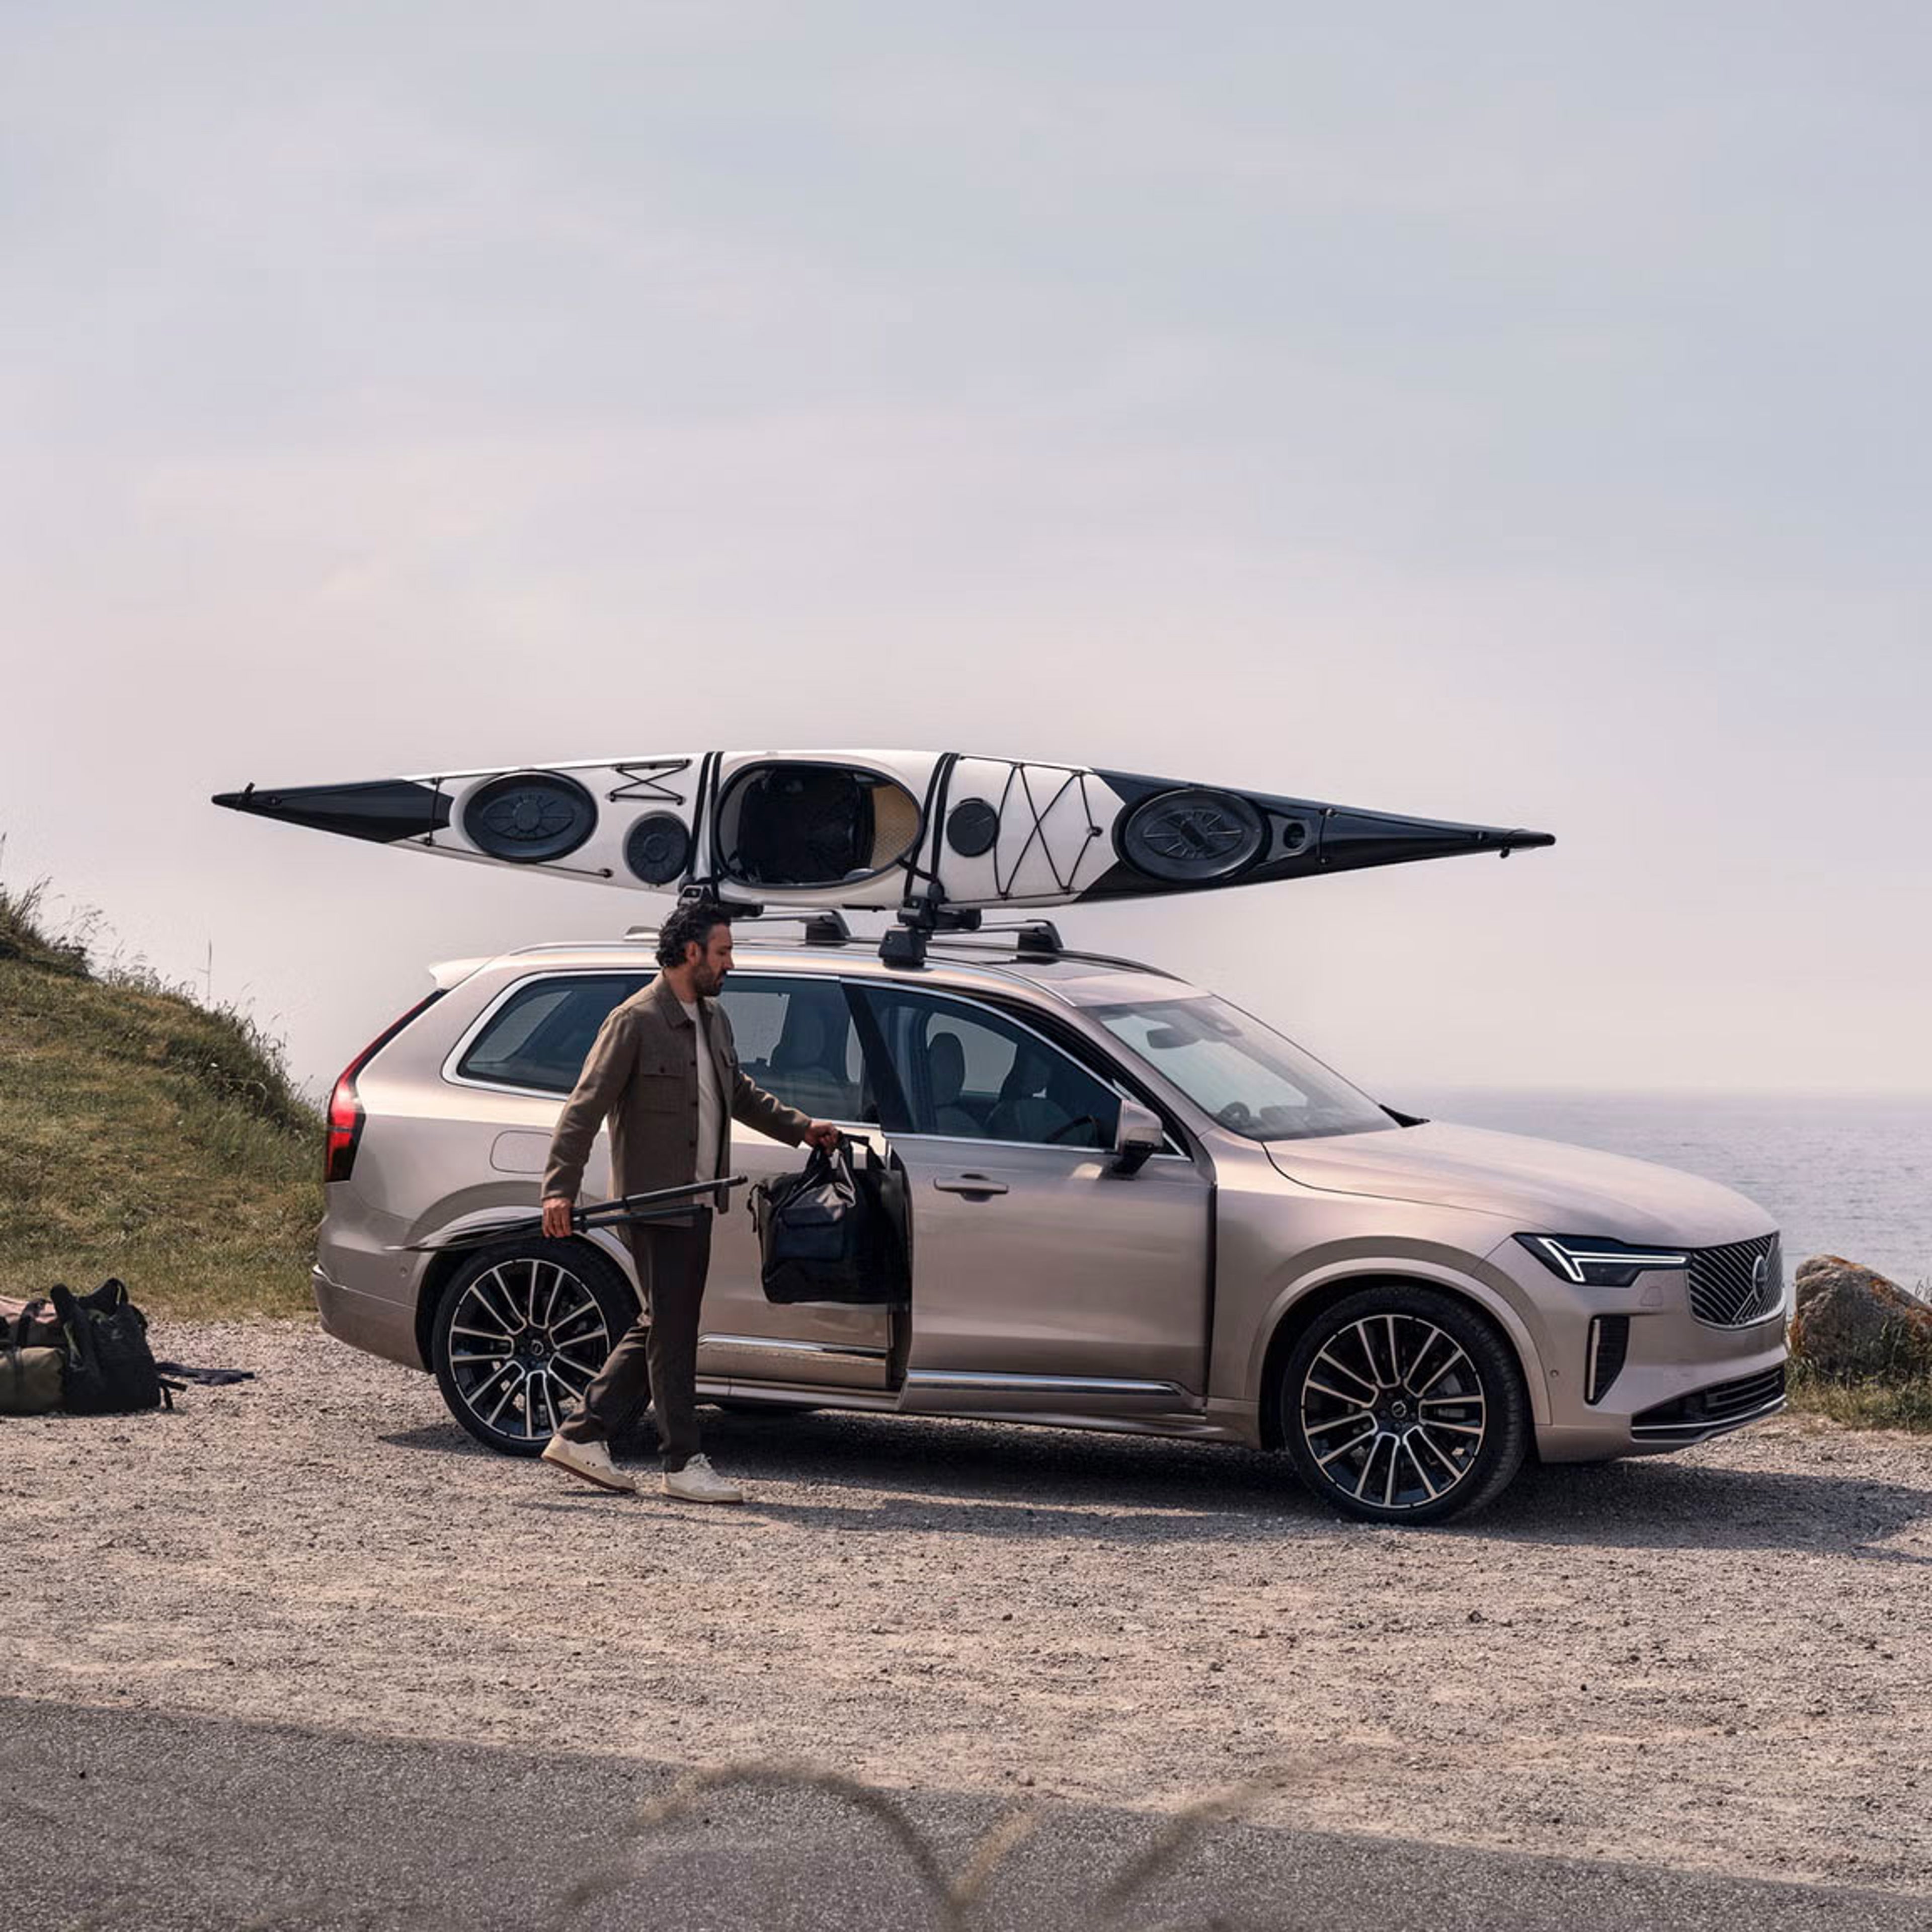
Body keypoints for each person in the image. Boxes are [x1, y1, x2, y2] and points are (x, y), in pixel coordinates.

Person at [537, 900, 841, 1503]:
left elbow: (738, 1092)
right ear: (692, 952)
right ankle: (680, 1462)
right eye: (723, 952)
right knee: (673, 1330)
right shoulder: (635, 1020)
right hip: (656, 1201)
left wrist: (801, 1128)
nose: (732, 963)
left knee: (663, 1323)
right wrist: (558, 1190)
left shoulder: (714, 1018)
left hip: (697, 1200)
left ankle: (584, 1434)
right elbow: (584, 1108)